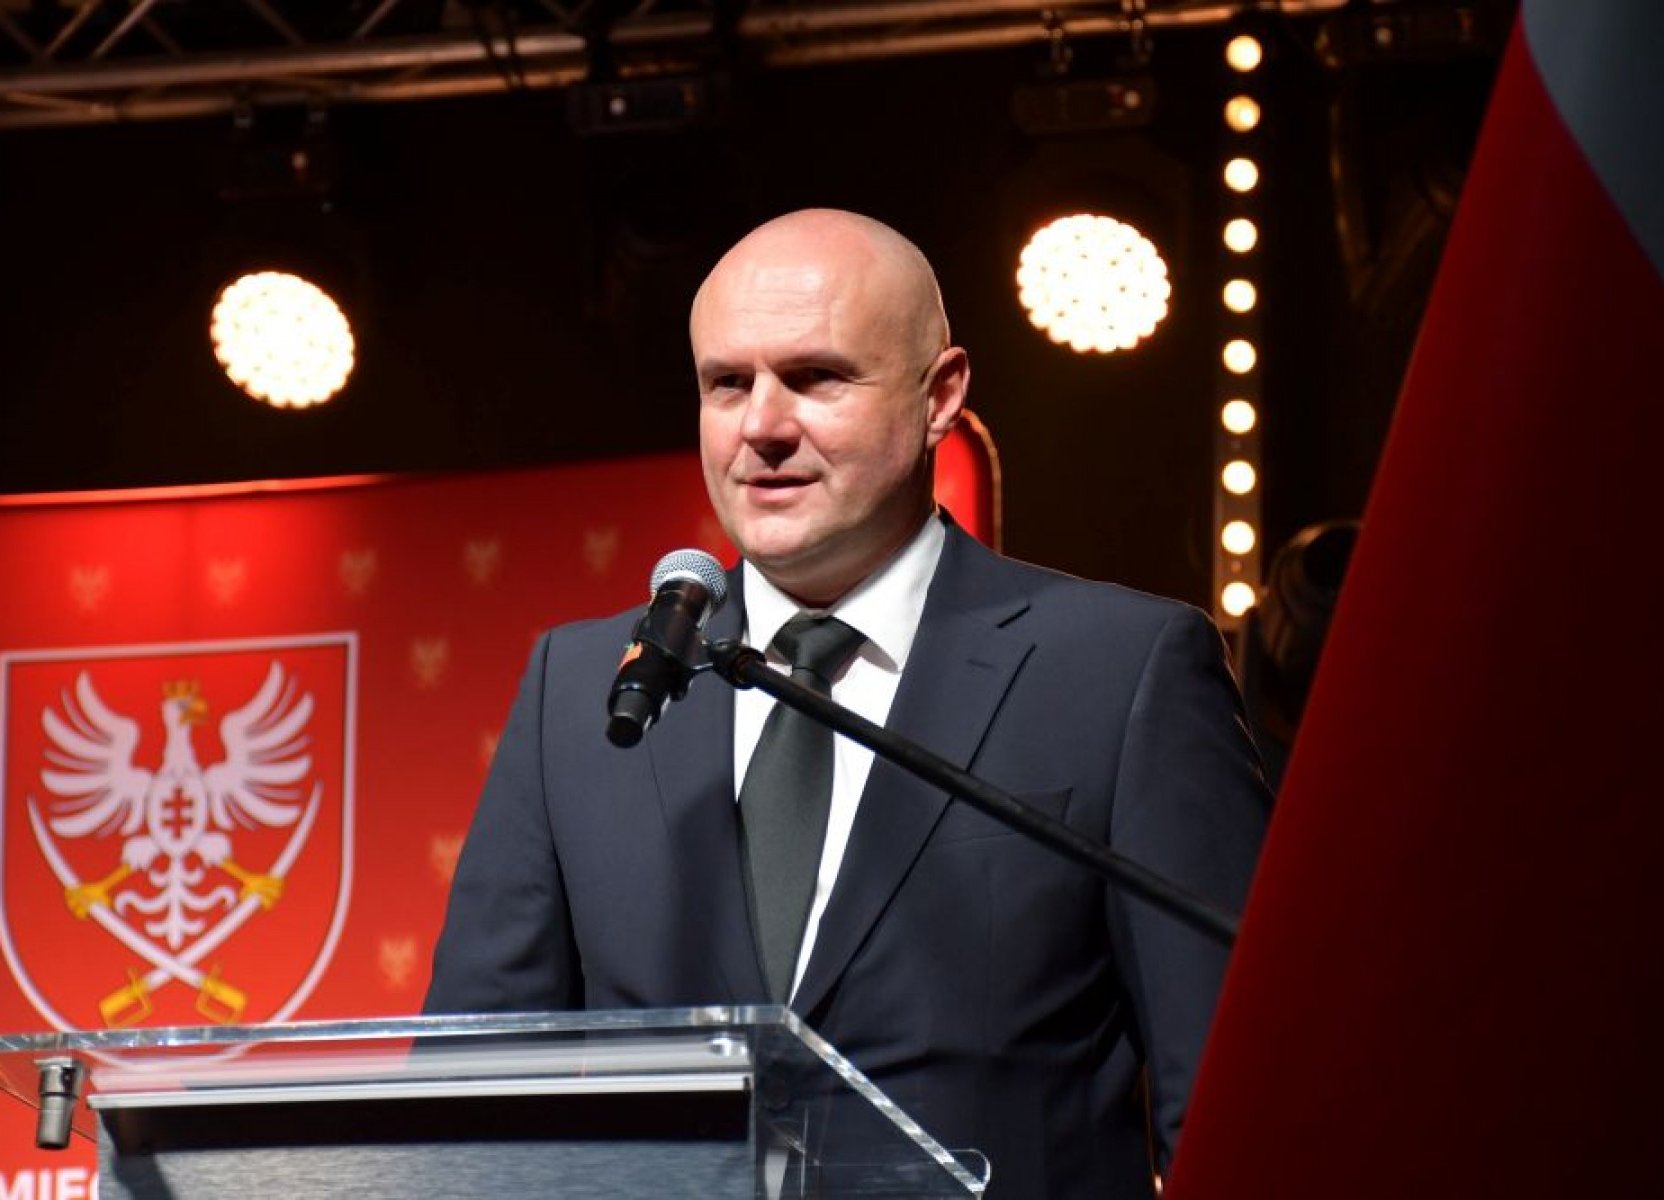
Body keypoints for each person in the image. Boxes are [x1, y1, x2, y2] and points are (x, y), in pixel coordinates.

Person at [425, 208, 1272, 1197]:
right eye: (727, 384)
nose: (762, 426)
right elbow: (464, 1111)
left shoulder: (1118, 671)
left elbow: (1241, 1111)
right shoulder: (585, 690)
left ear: (940, 395)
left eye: (817, 377)